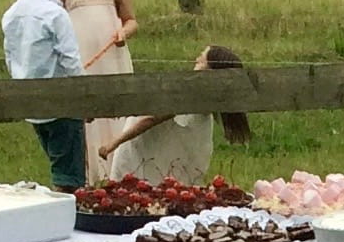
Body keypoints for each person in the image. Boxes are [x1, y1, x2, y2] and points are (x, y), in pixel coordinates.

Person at [97, 46, 255, 187]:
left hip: (146, 155)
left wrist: (114, 143)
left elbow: (152, 118)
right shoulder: (208, 95)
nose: (196, 59)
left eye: (202, 59)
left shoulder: (188, 92)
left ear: (211, 71)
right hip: (167, 155)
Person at [2, 0, 86, 191]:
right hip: (63, 105)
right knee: (69, 177)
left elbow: (11, 58)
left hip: (32, 104)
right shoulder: (55, 14)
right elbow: (71, 61)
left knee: (58, 163)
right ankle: (67, 211)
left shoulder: (11, 14)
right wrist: (87, 97)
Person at [56, 0, 137, 173]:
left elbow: (131, 20)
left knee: (116, 112)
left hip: (112, 58)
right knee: (88, 115)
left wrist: (123, 32)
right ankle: (90, 172)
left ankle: (120, 171)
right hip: (82, 58)